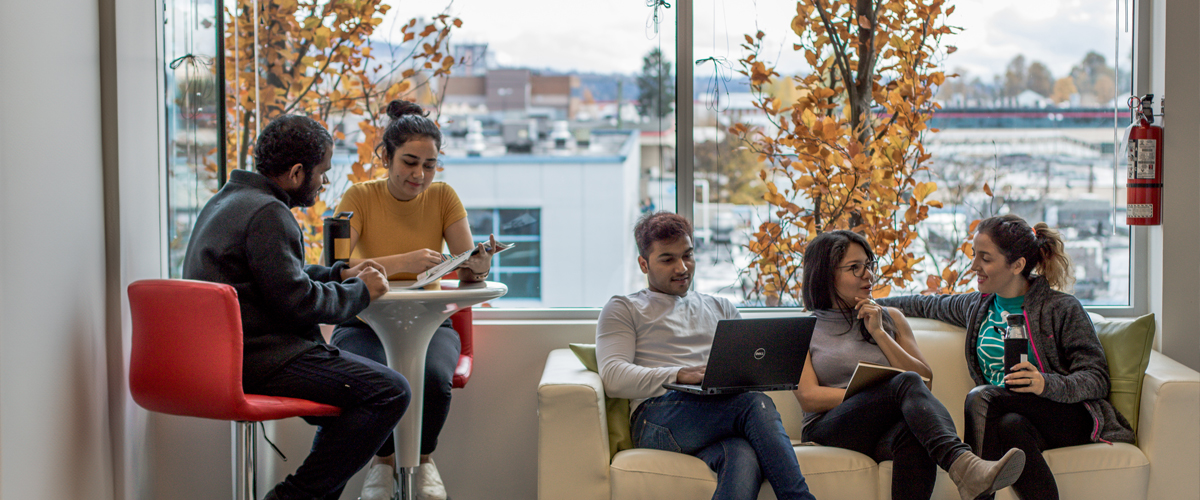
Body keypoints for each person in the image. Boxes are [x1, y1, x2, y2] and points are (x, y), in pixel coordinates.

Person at [183, 115, 407, 500]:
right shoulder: (269, 214)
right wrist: (361, 293)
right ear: (297, 172)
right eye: (322, 172)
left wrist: (340, 274)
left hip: (222, 356)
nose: (324, 182)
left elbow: (280, 275)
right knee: (388, 391)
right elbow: (298, 303)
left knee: (354, 395)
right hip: (260, 359)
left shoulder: (227, 200)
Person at [877, 214, 1135, 500]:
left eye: (985, 258)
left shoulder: (1061, 308)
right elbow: (924, 304)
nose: (974, 265)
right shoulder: (977, 306)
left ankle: (974, 484)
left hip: (1067, 414)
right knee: (1009, 426)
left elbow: (1097, 378)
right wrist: (866, 303)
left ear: (1017, 265)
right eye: (975, 255)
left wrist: (1045, 383)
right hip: (1015, 415)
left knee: (983, 397)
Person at [329, 99, 499, 500]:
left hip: (428, 322)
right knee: (373, 380)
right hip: (362, 322)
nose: (419, 175)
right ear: (386, 156)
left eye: (430, 164)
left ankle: (421, 460)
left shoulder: (443, 198)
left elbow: (465, 272)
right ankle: (383, 462)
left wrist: (480, 265)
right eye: (409, 162)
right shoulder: (359, 197)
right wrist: (405, 261)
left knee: (435, 381)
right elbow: (337, 271)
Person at [596, 212, 817, 500]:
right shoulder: (624, 308)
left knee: (742, 454)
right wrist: (678, 374)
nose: (682, 267)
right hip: (658, 419)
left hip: (716, 414)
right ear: (643, 263)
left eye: (687, 255)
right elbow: (613, 376)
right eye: (667, 259)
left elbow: (749, 364)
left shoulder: (720, 307)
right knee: (754, 404)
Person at [795, 230, 1025, 500]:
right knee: (902, 383)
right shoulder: (802, 330)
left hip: (885, 428)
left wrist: (880, 333)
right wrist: (878, 393)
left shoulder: (890, 318)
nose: (867, 275)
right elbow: (809, 397)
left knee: (916, 435)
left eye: (868, 265)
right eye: (854, 268)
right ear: (825, 275)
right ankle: (964, 465)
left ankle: (966, 470)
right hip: (830, 427)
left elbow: (924, 381)